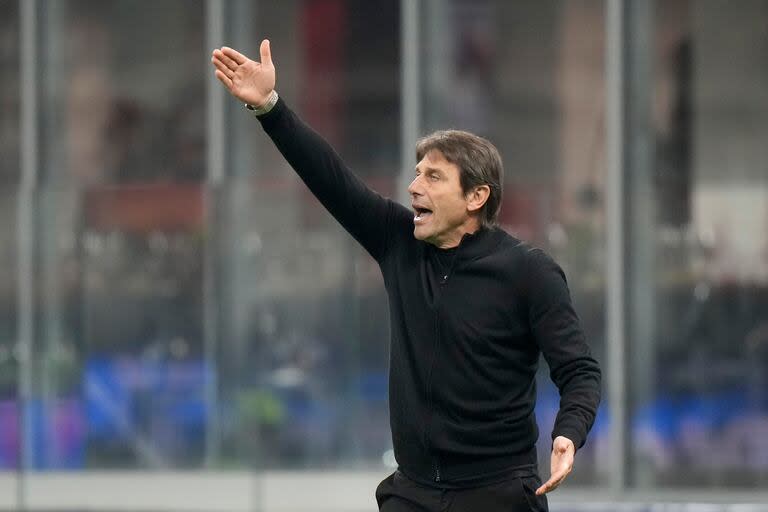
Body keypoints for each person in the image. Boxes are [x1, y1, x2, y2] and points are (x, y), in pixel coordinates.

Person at [211, 40, 601, 512]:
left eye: (433, 177)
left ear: (476, 197)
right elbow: (331, 178)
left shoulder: (528, 272)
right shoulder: (399, 243)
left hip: (498, 492)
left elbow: (579, 371)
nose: (414, 186)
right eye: (417, 174)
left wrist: (568, 434)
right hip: (412, 492)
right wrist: (270, 108)